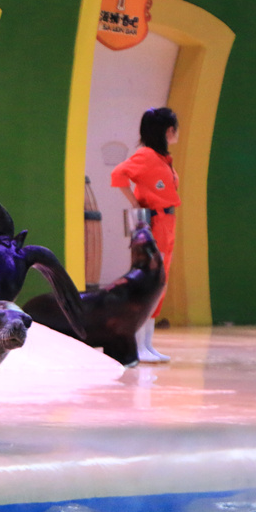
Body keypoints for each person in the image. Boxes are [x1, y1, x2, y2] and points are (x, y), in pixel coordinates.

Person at [110, 106, 180, 363]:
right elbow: (118, 174)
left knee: (159, 282)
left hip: (167, 222)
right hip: (154, 223)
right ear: (168, 130)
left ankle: (147, 345)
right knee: (149, 281)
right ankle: (138, 345)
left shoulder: (162, 159)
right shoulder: (146, 155)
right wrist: (136, 204)